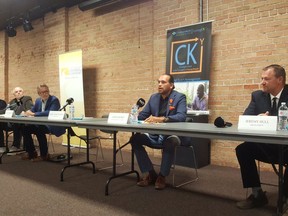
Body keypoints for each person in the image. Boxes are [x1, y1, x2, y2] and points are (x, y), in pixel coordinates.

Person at [235, 64, 288, 209]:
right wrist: (257, 118)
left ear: (279, 80)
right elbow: (245, 118)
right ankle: (257, 194)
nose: (262, 82)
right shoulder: (257, 96)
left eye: (267, 79)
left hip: (285, 147)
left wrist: (272, 121)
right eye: (262, 78)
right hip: (266, 146)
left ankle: (284, 196)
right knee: (243, 149)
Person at [130, 74, 187, 190]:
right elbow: (143, 115)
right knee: (135, 139)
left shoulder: (180, 97)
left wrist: (161, 119)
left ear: (171, 85)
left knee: (169, 142)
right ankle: (150, 173)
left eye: (163, 82)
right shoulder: (154, 98)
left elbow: (181, 116)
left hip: (172, 135)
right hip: (154, 135)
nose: (159, 84)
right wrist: (133, 115)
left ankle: (162, 176)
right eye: (158, 82)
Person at [22, 84, 66, 161]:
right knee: (25, 127)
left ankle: (44, 154)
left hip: (52, 125)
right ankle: (31, 152)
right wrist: (28, 112)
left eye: (46, 91)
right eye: (42, 92)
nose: (45, 93)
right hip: (41, 124)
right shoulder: (38, 100)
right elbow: (33, 110)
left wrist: (34, 114)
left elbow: (50, 112)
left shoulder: (54, 100)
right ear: (39, 93)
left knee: (39, 129)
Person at [0, 87, 33, 153]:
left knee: (16, 124)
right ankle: (1, 146)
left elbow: (30, 111)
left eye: (20, 91)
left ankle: (16, 146)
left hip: (23, 123)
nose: (18, 92)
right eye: (16, 92)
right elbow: (5, 110)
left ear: (23, 92)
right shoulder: (12, 102)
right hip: (12, 122)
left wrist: (25, 112)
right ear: (14, 94)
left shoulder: (27, 99)